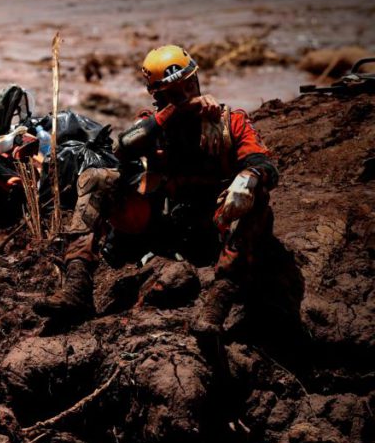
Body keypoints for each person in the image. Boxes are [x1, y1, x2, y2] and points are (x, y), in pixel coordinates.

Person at [34, 45, 279, 335]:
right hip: (162, 227)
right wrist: (176, 112)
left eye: (190, 86)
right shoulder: (153, 125)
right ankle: (77, 287)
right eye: (175, 92)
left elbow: (265, 164)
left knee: (257, 196)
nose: (187, 95)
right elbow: (122, 147)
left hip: (213, 227)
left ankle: (218, 303)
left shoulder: (230, 121)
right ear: (158, 96)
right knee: (97, 178)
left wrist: (249, 178)